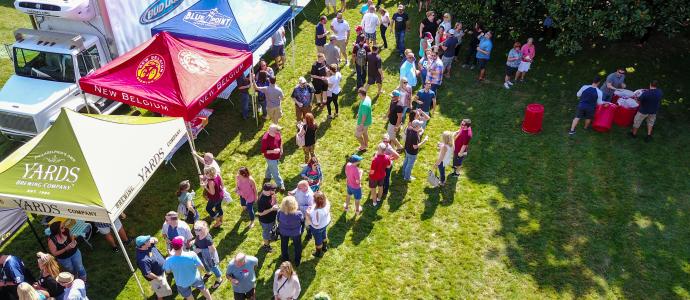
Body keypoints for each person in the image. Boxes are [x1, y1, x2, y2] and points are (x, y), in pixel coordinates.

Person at [135, 236, 172, 300]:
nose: (150, 240)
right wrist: (158, 278)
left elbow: (156, 240)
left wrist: (154, 240)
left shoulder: (149, 245)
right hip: (156, 277)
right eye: (147, 240)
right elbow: (148, 274)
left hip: (161, 271)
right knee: (160, 292)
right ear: (143, 245)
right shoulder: (143, 260)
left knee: (163, 289)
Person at [193, 221, 223, 289]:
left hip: (209, 257)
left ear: (204, 229)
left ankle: (219, 279)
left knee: (213, 267)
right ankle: (209, 273)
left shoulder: (207, 239)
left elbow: (212, 250)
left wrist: (200, 250)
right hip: (202, 256)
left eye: (198, 229)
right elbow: (197, 240)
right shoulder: (198, 234)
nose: (195, 231)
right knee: (205, 265)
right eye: (195, 229)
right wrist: (194, 242)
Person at [277, 196, 304, 267]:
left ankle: (285, 259)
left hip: (283, 231)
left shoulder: (280, 212)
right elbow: (302, 221)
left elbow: (278, 220)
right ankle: (297, 260)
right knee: (297, 246)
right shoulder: (298, 213)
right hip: (295, 233)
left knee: (284, 245)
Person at [307, 191, 331, 257]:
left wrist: (308, 215)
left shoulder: (317, 212)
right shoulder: (327, 203)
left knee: (318, 240)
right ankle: (324, 247)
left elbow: (316, 224)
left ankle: (318, 253)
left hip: (317, 228)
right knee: (323, 233)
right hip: (325, 223)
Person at [261, 124, 285, 191]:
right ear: (272, 131)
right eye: (277, 130)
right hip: (270, 158)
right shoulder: (265, 139)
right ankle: (281, 185)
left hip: (277, 156)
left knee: (271, 166)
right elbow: (264, 151)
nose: (279, 132)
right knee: (275, 172)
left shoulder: (277, 134)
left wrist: (281, 148)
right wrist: (273, 151)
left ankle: (267, 176)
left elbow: (280, 140)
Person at [257, 183, 279, 252]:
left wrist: (275, 200)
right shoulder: (261, 200)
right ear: (269, 190)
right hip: (266, 221)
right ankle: (266, 246)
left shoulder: (271, 194)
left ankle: (271, 237)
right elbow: (260, 213)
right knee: (266, 233)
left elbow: (274, 203)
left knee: (272, 229)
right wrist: (272, 209)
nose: (274, 191)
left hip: (272, 218)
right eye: (273, 190)